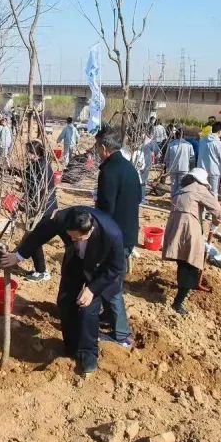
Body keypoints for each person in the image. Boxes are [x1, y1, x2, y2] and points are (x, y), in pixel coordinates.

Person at [0, 206, 126, 376]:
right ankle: (71, 346)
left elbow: (116, 268)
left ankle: (88, 353)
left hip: (98, 269)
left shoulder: (112, 234)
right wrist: (18, 255)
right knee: (65, 301)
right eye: (70, 236)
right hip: (74, 263)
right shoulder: (62, 219)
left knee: (88, 309)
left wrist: (91, 289)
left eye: (78, 238)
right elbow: (41, 233)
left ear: (90, 231)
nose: (73, 240)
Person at [94, 126, 138, 349]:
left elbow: (106, 209)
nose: (96, 151)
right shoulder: (129, 167)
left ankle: (121, 335)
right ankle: (108, 316)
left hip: (114, 236)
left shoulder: (109, 171)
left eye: (96, 146)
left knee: (110, 284)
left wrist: (97, 235)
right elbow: (138, 198)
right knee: (112, 278)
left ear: (104, 147)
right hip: (128, 233)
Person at [162, 167, 221, 316]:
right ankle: (178, 302)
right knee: (191, 265)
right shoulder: (199, 188)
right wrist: (215, 225)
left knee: (182, 261)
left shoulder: (180, 190)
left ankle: (184, 287)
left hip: (174, 229)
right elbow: (217, 210)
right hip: (189, 229)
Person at [21, 140, 57, 282]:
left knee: (34, 239)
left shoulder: (42, 167)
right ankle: (39, 269)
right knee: (33, 239)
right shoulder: (37, 164)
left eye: (30, 153)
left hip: (43, 209)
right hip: (38, 208)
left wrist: (25, 204)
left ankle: (42, 271)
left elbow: (39, 191)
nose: (28, 155)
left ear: (37, 153)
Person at [196, 120, 221, 197]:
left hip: (202, 170)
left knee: (203, 192)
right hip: (214, 171)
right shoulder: (219, 144)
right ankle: (212, 205)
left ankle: (203, 205)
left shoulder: (202, 141)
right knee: (213, 192)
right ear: (219, 131)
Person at [164, 128, 195, 198]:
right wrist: (191, 169)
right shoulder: (188, 145)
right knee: (181, 186)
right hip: (184, 168)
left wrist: (168, 167)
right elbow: (192, 158)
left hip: (173, 168)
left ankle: (173, 200)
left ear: (176, 135)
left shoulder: (171, 145)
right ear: (184, 135)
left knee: (173, 185)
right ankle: (179, 200)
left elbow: (167, 158)